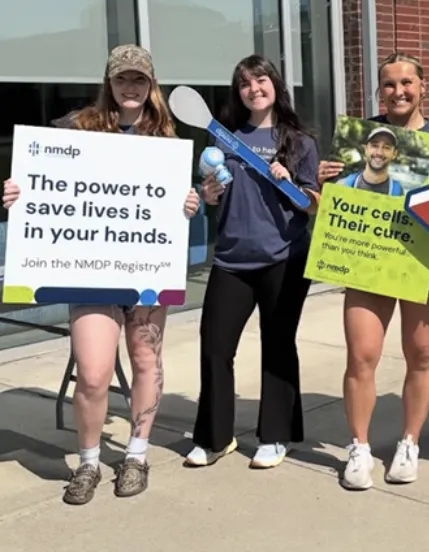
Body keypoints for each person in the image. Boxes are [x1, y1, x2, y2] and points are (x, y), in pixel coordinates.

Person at [3, 44, 200, 505]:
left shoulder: (166, 140)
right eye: (121, 79)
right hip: (88, 269)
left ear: (151, 86)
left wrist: (187, 205)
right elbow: (37, 181)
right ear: (108, 84)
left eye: (138, 79)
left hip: (146, 266)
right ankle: (89, 462)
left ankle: (136, 454)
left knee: (145, 358)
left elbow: (176, 204)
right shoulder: (75, 129)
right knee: (92, 373)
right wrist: (17, 192)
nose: (129, 87)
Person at [316, 52, 429, 490]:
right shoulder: (360, 140)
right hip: (367, 259)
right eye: (390, 84)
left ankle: (409, 442)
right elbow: (334, 202)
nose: (399, 91)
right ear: (380, 91)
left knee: (422, 355)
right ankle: (359, 447)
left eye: (407, 83)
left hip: (420, 262)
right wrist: (325, 179)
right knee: (361, 356)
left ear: (423, 87)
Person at [184, 54, 319, 471]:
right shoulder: (223, 139)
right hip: (231, 259)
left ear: (275, 85)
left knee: (278, 346)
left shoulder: (300, 142)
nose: (253, 89)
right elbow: (213, 194)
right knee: (215, 347)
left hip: (285, 257)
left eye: (260, 80)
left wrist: (291, 182)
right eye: (244, 83)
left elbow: (313, 205)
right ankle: (215, 437)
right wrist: (207, 195)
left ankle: (275, 436)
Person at [337, 126, 403, 195]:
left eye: (387, 147)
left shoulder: (398, 194)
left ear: (394, 154)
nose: (379, 153)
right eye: (374, 145)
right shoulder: (342, 185)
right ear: (365, 149)